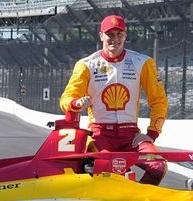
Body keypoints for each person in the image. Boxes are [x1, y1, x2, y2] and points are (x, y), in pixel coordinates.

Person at [60, 15, 168, 185]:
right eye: (110, 34)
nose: (115, 39)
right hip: (100, 134)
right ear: (101, 35)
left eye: (119, 34)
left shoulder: (143, 62)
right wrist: (76, 103)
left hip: (130, 135)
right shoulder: (87, 64)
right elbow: (67, 98)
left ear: (125, 35)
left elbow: (159, 100)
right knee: (108, 172)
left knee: (158, 166)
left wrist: (152, 133)